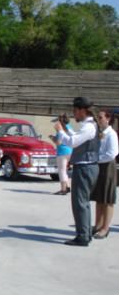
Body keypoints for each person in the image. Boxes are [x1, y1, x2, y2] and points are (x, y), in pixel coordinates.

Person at [55, 97, 100, 246]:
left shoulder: (89, 126)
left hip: (85, 167)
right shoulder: (89, 125)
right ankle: (85, 234)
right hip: (87, 166)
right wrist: (65, 130)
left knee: (80, 203)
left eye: (75, 110)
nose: (74, 114)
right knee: (83, 203)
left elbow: (73, 142)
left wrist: (61, 132)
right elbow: (74, 138)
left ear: (82, 110)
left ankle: (83, 236)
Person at [91, 110, 119, 239]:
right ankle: (97, 225)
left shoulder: (111, 134)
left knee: (107, 199)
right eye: (98, 117)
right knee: (99, 198)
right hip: (99, 166)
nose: (99, 119)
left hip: (107, 167)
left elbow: (112, 153)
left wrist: (97, 158)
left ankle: (105, 228)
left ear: (108, 119)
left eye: (101, 117)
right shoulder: (99, 133)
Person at [51, 114, 73, 195]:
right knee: (65, 170)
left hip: (62, 152)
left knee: (62, 170)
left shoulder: (60, 128)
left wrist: (52, 138)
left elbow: (58, 142)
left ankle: (63, 189)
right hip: (70, 150)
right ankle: (67, 186)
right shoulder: (69, 127)